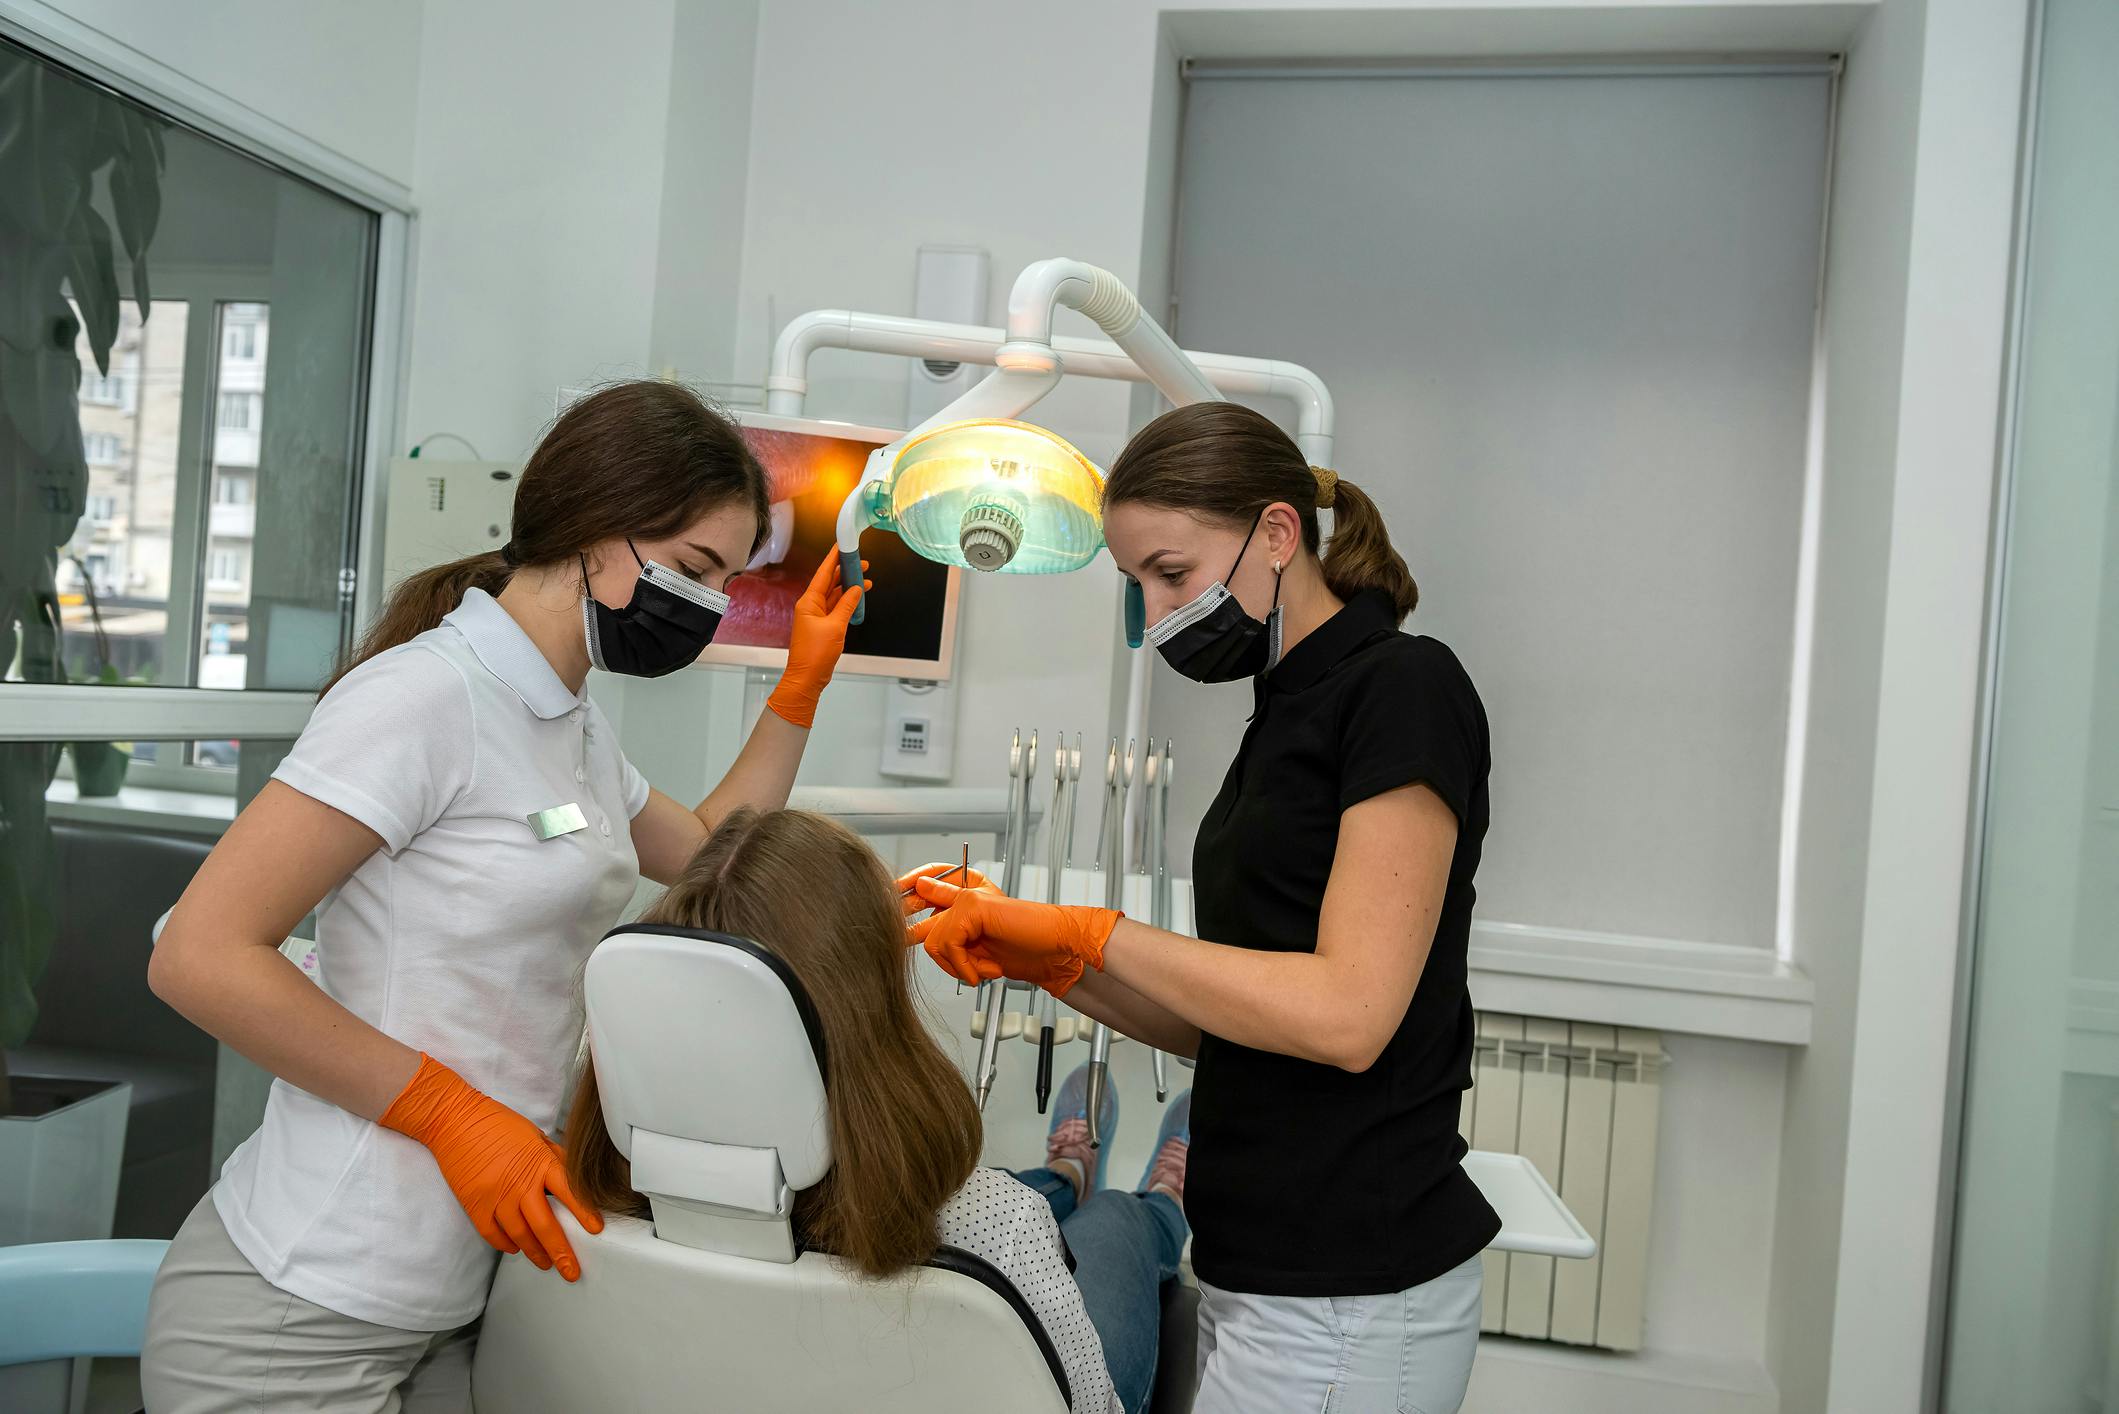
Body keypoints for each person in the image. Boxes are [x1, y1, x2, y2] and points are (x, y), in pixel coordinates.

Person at [140, 382, 869, 1412]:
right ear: (596, 533)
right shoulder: (423, 697)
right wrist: (449, 1114)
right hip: (305, 1296)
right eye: (697, 569)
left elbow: (705, 850)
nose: (706, 606)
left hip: (455, 1288)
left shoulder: (568, 723)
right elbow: (199, 952)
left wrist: (800, 688)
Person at [911, 401, 1499, 1414]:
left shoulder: (1401, 687)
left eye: (1171, 572)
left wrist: (1096, 930)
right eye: (1138, 583)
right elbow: (1231, 1021)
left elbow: (1346, 1017)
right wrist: (1048, 962)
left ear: (1278, 533)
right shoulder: (1282, 713)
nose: (1156, 607)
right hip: (1251, 1256)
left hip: (1349, 1281)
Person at [564, 808, 1193, 1414]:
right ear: (870, 1010)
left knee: (1031, 1202)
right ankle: (1159, 1201)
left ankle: (1066, 1176)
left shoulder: (591, 1201)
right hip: (1012, 1260)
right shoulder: (998, 1222)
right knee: (1116, 1219)